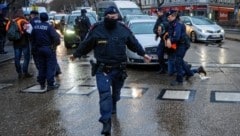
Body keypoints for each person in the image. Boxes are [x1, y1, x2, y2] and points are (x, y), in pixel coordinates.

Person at [69, 6, 152, 135]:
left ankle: (114, 103)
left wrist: (143, 54)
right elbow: (86, 44)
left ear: (118, 17)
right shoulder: (97, 29)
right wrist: (76, 54)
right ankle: (106, 122)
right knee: (104, 94)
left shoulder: (123, 29)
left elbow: (133, 43)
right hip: (103, 69)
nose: (112, 19)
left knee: (116, 93)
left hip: (119, 69)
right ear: (105, 17)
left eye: (115, 17)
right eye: (109, 17)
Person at [165, 10, 206, 86]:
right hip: (178, 44)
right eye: (167, 17)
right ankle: (196, 70)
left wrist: (170, 40)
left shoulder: (178, 24)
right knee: (180, 61)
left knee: (178, 61)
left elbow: (176, 37)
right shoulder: (172, 23)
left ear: (173, 16)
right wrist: (168, 38)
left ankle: (179, 80)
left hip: (182, 44)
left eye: (169, 17)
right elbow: (169, 34)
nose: (168, 18)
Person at [31, 12, 60, 90]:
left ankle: (42, 83)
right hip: (48, 49)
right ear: (47, 18)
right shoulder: (49, 27)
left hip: (39, 49)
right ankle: (50, 84)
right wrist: (54, 46)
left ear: (40, 18)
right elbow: (56, 38)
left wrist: (34, 48)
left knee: (42, 66)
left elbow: (32, 38)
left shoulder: (35, 27)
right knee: (50, 66)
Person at [6, 9, 33, 79]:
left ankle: (19, 73)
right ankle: (25, 72)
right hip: (24, 42)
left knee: (17, 58)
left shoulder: (11, 21)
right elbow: (29, 31)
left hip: (16, 43)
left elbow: (7, 30)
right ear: (21, 14)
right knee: (26, 58)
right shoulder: (23, 21)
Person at [153, 7, 168, 74]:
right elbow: (155, 29)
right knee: (159, 53)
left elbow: (165, 29)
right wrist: (157, 33)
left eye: (158, 12)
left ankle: (165, 68)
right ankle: (164, 68)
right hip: (163, 39)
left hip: (167, 39)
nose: (157, 13)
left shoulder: (165, 18)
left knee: (173, 55)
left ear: (161, 12)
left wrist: (159, 32)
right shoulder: (159, 19)